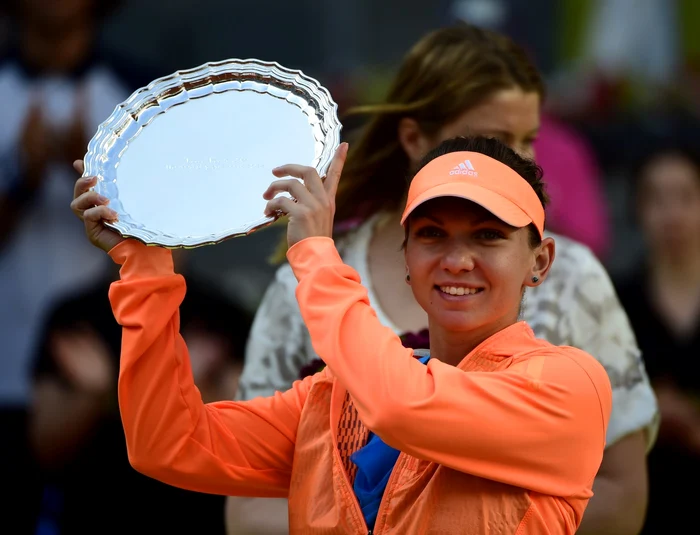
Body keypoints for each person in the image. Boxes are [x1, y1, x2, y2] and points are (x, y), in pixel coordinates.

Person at [231, 24, 658, 535]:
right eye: (493, 140)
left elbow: (622, 495)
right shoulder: (305, 279)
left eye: (529, 139)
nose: (522, 161)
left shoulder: (576, 279)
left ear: (538, 265)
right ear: (413, 138)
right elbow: (244, 495)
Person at [71, 135, 612, 534]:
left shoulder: (569, 385)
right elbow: (166, 445)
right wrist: (144, 267)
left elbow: (402, 407)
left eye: (488, 236)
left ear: (539, 262)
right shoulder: (333, 395)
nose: (456, 260)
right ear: (406, 257)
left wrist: (314, 254)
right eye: (431, 235)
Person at [29, 245, 251, 534]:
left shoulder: (222, 315)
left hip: (196, 515)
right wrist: (93, 396)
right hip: (93, 511)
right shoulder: (75, 315)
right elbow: (46, 452)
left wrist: (186, 387)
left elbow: (244, 442)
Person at [614, 144, 700, 534]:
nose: (671, 214)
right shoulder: (617, 301)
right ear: (638, 209)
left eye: (684, 196)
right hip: (645, 500)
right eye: (656, 198)